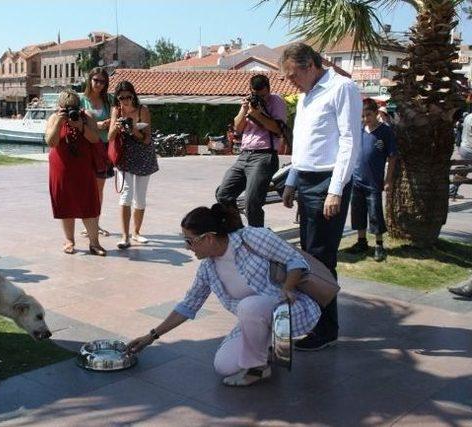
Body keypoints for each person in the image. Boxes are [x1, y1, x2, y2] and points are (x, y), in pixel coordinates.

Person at [126, 204, 320, 386]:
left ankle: (258, 369)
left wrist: (288, 286)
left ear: (208, 238)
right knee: (223, 366)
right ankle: (266, 349)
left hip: (287, 310)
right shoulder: (208, 268)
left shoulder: (251, 238)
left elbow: (295, 259)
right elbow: (188, 305)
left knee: (248, 307)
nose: (187, 247)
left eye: (189, 241)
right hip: (253, 320)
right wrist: (151, 336)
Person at [280, 43, 361, 351]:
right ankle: (315, 322)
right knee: (309, 256)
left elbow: (349, 141)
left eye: (292, 75)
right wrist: (291, 180)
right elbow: (303, 144)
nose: (290, 81)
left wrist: (335, 190)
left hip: (328, 181)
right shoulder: (305, 95)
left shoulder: (342, 88)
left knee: (321, 260)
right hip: (307, 180)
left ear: (310, 65)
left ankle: (325, 330)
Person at [216, 74, 286, 227]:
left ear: (269, 89)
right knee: (223, 194)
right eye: (257, 94)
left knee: (252, 203)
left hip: (264, 156)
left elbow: (278, 130)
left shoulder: (276, 101)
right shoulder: (249, 102)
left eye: (263, 95)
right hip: (244, 155)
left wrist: (257, 114)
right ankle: (238, 231)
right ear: (251, 91)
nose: (261, 98)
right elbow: (238, 128)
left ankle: (256, 239)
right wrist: (244, 109)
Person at [45, 89, 106, 256]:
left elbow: (95, 139)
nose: (72, 110)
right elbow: (51, 142)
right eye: (67, 107)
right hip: (61, 168)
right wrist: (59, 122)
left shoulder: (87, 117)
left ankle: (94, 243)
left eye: (74, 107)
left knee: (89, 204)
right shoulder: (54, 118)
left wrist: (81, 126)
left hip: (83, 168)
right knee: (65, 204)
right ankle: (69, 240)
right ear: (60, 107)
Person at [108, 81, 158, 249]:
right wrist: (117, 126)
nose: (125, 101)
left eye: (128, 97)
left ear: (133, 95)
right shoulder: (116, 110)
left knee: (140, 197)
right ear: (117, 98)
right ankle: (125, 236)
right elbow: (109, 137)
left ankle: (136, 232)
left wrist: (133, 129)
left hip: (143, 154)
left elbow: (147, 139)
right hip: (125, 156)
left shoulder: (142, 110)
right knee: (126, 194)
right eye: (121, 98)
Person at [347, 98, 398, 262]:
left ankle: (379, 244)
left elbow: (392, 157)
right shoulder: (359, 130)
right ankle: (361, 241)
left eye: (368, 115)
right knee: (358, 212)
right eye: (362, 116)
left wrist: (388, 179)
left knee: (375, 213)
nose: (365, 119)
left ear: (376, 113)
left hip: (374, 182)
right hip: (356, 179)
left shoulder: (385, 132)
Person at [80, 67, 112, 237]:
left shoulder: (109, 100)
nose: (99, 84)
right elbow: (76, 123)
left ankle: (96, 224)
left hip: (104, 147)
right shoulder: (81, 100)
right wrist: (95, 125)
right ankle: (87, 224)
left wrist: (110, 122)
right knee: (87, 188)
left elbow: (117, 117)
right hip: (86, 148)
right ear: (90, 80)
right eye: (96, 80)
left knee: (99, 190)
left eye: (102, 81)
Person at [449, 111, 472, 199]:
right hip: (470, 149)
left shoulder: (468, 116)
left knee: (464, 170)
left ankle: (452, 190)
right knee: (465, 169)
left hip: (465, 147)